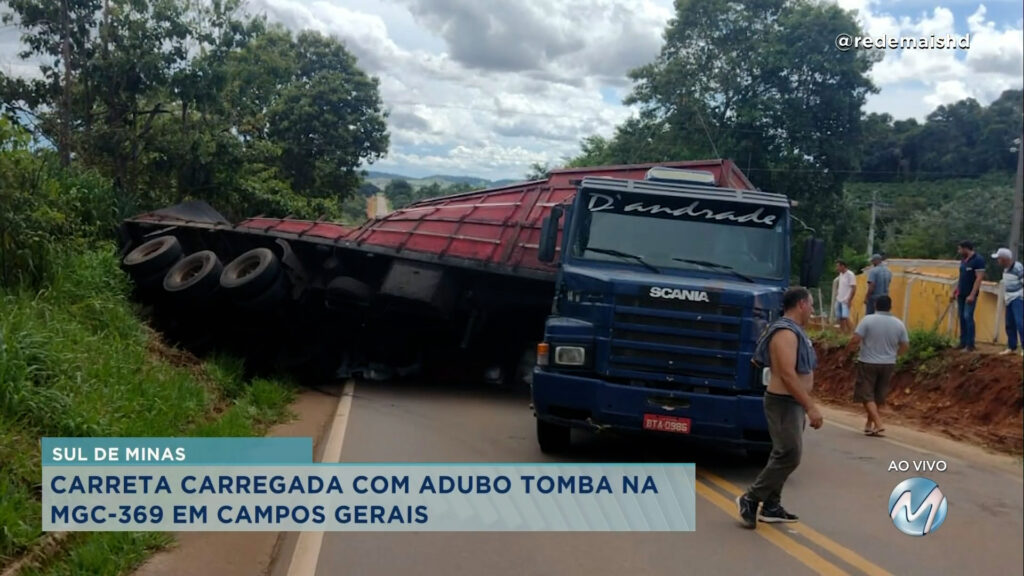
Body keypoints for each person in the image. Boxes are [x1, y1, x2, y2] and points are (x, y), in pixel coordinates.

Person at [736, 287, 823, 528]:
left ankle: (772, 505)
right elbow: (786, 374)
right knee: (789, 454)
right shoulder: (785, 333)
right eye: (812, 305)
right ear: (802, 304)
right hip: (784, 402)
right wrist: (810, 407)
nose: (813, 310)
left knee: (781, 453)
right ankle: (751, 498)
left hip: (792, 402)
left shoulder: (795, 332)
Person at [846, 295, 908, 436]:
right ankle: (869, 424)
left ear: (875, 306)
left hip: (868, 362)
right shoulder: (898, 323)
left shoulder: (868, 320)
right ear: (890, 307)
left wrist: (847, 350)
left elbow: (856, 339)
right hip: (888, 364)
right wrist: (895, 355)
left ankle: (878, 423)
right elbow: (905, 345)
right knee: (878, 395)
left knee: (867, 395)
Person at [952, 241, 985, 352]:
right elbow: (961, 277)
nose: (959, 251)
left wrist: (972, 294)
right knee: (961, 317)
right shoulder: (963, 260)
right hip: (961, 293)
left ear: (966, 249)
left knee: (968, 316)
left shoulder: (978, 260)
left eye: (960, 249)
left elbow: (979, 278)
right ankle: (963, 342)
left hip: (970, 295)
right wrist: (956, 290)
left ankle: (970, 344)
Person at [991, 247, 1024, 356]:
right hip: (1008, 298)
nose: (998, 261)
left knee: (1020, 323)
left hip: (1018, 298)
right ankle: (1012, 347)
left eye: (999, 258)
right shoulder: (1005, 269)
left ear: (1005, 259)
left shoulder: (1018, 268)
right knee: (1009, 323)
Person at [834, 260, 857, 333]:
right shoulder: (841, 274)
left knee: (845, 317)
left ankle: (852, 331)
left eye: (838, 266)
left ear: (842, 266)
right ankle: (842, 332)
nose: (837, 268)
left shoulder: (850, 274)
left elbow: (854, 288)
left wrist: (849, 300)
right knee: (839, 317)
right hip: (839, 298)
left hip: (846, 299)